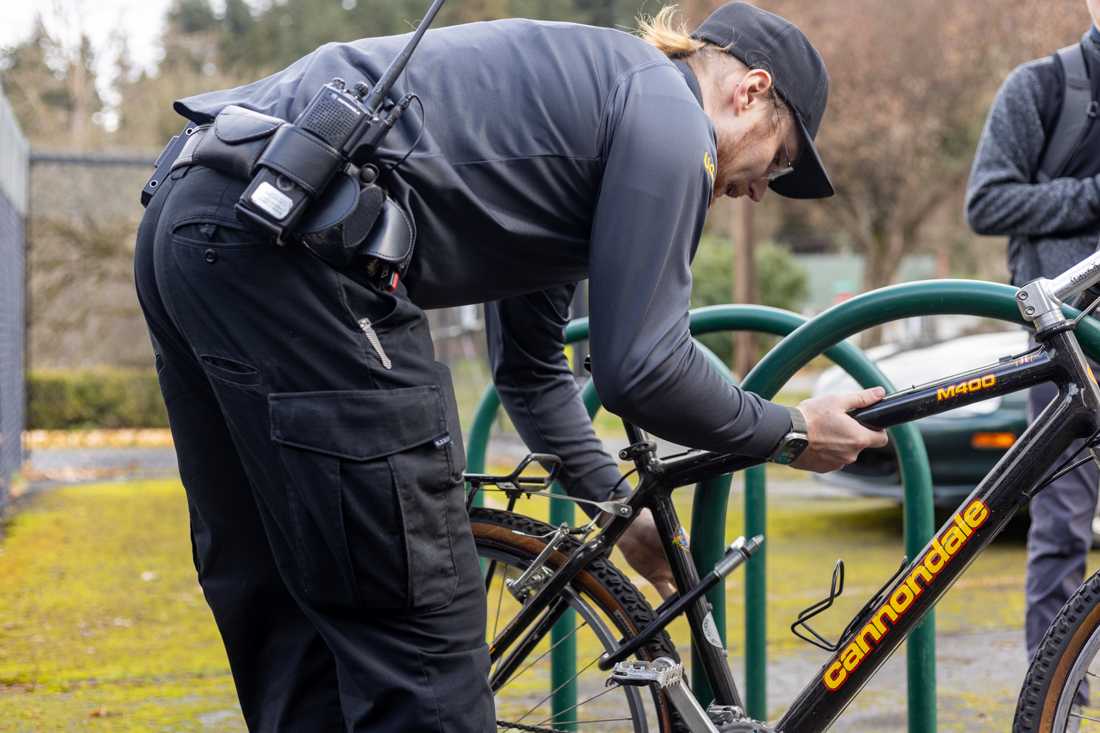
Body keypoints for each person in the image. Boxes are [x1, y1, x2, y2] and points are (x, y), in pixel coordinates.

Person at [133, 3, 887, 730]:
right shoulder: (667, 114)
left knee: (290, 619)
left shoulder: (587, 109)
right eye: (779, 159)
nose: (759, 189)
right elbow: (642, 367)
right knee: (420, 627)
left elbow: (529, 370)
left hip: (199, 210)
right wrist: (791, 430)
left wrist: (614, 509)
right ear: (749, 90)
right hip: (291, 237)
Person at [965, 0, 1100, 699]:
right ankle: (1057, 702)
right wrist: (1091, 197)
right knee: (1063, 527)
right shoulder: (1044, 88)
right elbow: (986, 202)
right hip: (1071, 343)